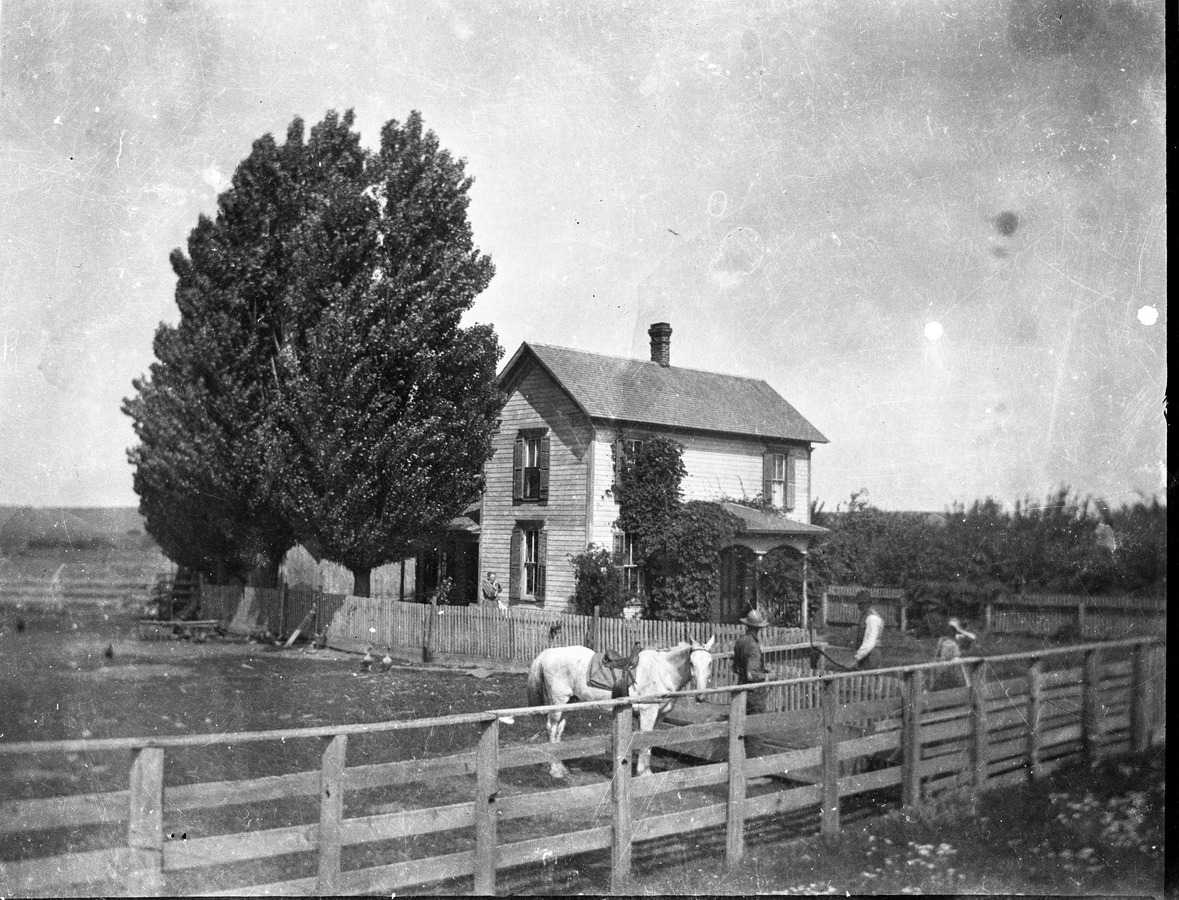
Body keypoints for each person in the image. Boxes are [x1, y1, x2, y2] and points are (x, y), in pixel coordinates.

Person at [733, 608, 771, 755]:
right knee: (755, 733)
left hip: (741, 690)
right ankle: (751, 764)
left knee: (741, 730)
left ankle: (740, 762)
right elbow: (751, 674)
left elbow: (736, 668)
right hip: (754, 694)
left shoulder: (740, 641)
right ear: (759, 628)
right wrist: (767, 677)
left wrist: (762, 670)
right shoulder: (754, 646)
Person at [934, 617, 978, 688]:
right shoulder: (942, 639)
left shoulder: (958, 638)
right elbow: (937, 655)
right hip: (945, 668)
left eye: (953, 628)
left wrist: (959, 630)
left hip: (957, 669)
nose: (951, 629)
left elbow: (973, 637)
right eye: (950, 627)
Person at [852, 589, 884, 670]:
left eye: (861, 603)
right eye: (858, 603)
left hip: (870, 656)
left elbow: (869, 642)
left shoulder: (872, 618)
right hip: (865, 655)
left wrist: (857, 657)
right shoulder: (865, 615)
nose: (859, 606)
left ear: (868, 603)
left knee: (868, 677)